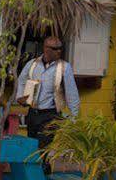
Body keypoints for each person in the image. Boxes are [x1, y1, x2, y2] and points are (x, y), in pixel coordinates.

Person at [15, 36, 80, 166]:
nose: (59, 51)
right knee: (32, 148)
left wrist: (74, 118)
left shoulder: (64, 67)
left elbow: (72, 93)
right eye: (55, 49)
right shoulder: (32, 64)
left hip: (51, 115)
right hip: (33, 113)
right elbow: (21, 80)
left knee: (43, 148)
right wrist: (20, 97)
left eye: (60, 48)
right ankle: (42, 172)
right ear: (46, 49)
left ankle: (44, 171)